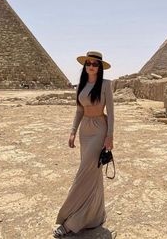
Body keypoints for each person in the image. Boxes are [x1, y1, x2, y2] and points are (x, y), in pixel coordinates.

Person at [53, 51, 114, 237]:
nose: (91, 67)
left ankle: (71, 220)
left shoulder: (105, 84)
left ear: (100, 67)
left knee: (84, 172)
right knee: (92, 174)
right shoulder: (80, 85)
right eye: (88, 63)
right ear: (85, 66)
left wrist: (110, 136)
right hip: (85, 131)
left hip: (99, 129)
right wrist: (72, 131)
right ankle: (93, 216)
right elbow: (79, 111)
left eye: (95, 64)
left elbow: (111, 112)